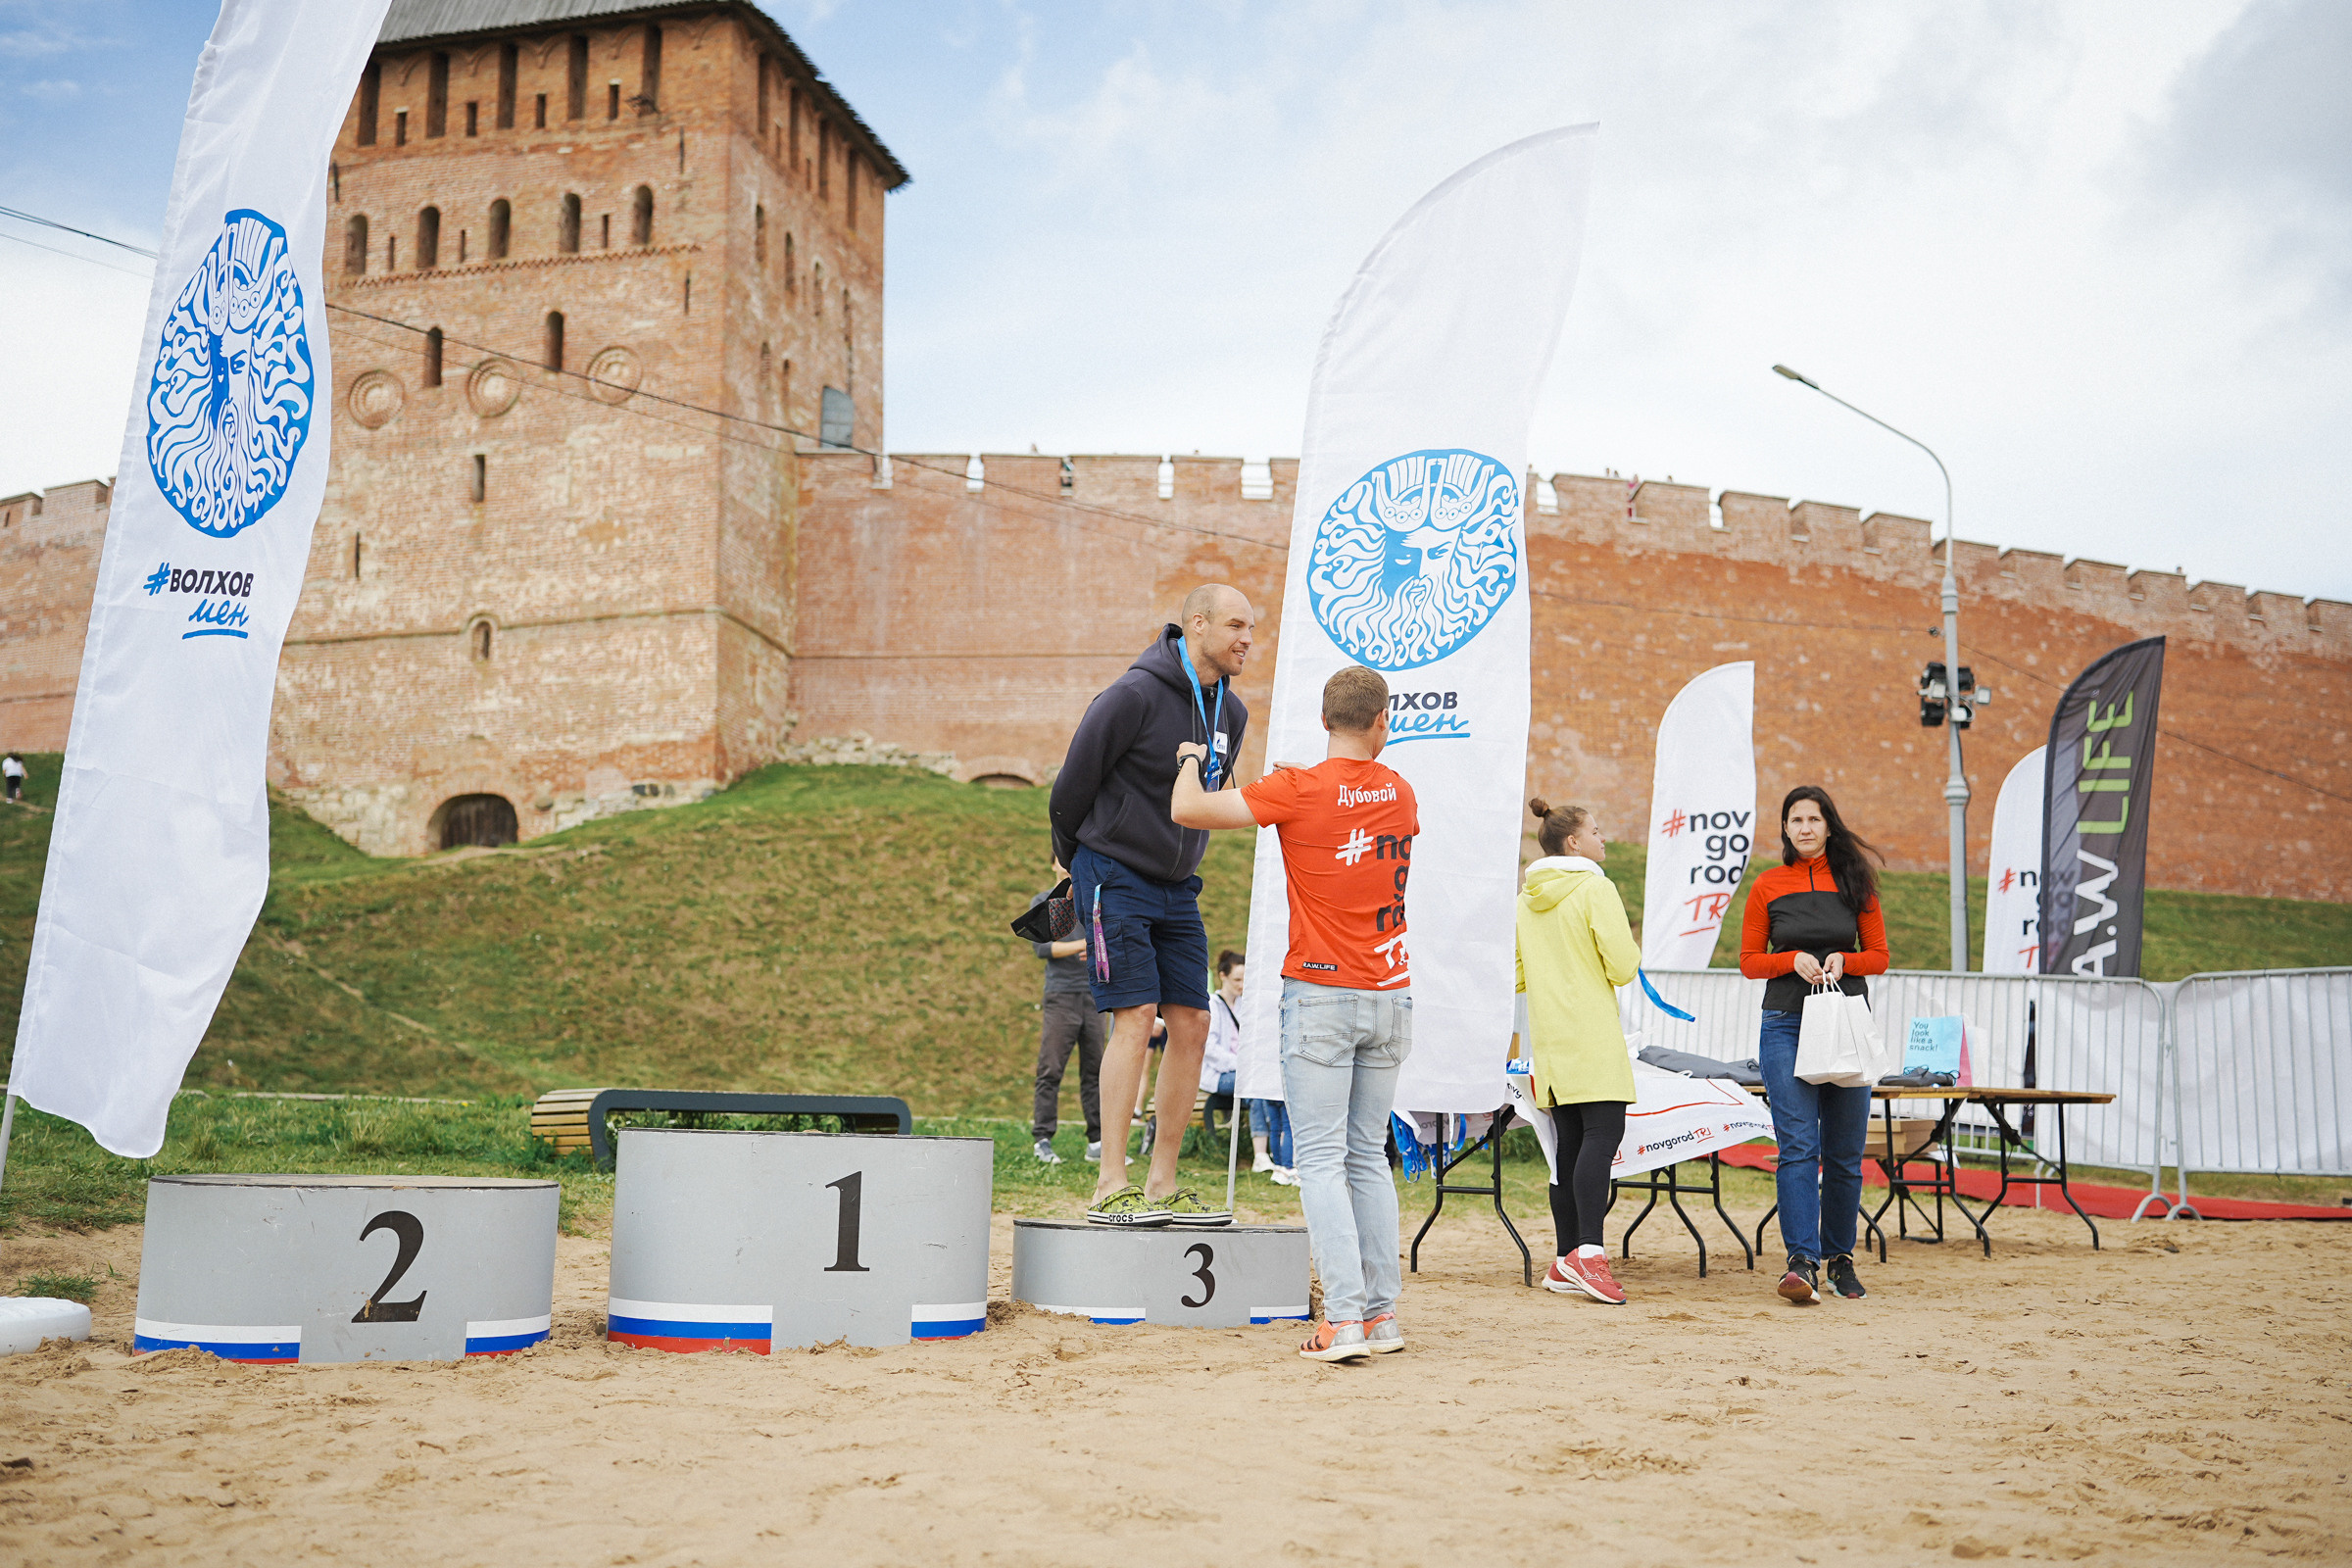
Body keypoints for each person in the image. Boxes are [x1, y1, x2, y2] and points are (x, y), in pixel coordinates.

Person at [1173, 664, 1415, 1363]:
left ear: (1322, 721)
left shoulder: (1297, 789)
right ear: (1381, 722)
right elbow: (1353, 797)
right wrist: (1306, 783)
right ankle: (1379, 1315)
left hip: (1321, 996)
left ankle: (1341, 1320)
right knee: (1366, 1157)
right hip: (1390, 994)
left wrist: (1191, 762)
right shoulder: (1400, 792)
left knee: (1319, 1160)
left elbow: (1190, 810)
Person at [1050, 584, 1254, 1227]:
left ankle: (1162, 1183)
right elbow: (1069, 787)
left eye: (1251, 628)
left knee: (1193, 1022)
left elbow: (1210, 798)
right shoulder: (1132, 696)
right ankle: (1112, 1180)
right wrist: (1076, 865)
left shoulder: (1234, 713)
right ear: (1196, 625)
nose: (1247, 638)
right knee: (1135, 1016)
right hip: (1113, 874)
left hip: (1177, 888)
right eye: (1235, 625)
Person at [1740, 784, 1890, 1304]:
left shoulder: (1856, 883)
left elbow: (1880, 955)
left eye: (1814, 819)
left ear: (1829, 825)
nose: (1805, 828)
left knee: (1845, 1151)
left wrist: (1846, 961)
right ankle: (1801, 1262)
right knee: (1798, 1147)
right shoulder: (1767, 884)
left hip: (1846, 1020)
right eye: (1795, 820)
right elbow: (1749, 961)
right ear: (1784, 828)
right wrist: (1790, 959)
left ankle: (1840, 1259)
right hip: (1785, 1023)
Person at [1514, 799, 1640, 1304]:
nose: (1602, 838)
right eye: (1596, 830)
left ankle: (1567, 1258)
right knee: (1603, 1135)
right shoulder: (1595, 887)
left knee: (1567, 1145)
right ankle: (1590, 1254)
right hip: (1592, 1033)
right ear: (1574, 842)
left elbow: (1518, 974)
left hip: (1550, 1040)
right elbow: (1623, 966)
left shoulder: (1526, 898)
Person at [1027, 858, 1103, 1165]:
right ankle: (1042, 1139)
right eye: (1062, 861)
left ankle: (1097, 1142)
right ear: (1052, 867)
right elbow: (1042, 948)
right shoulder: (1044, 902)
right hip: (1061, 996)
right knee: (1051, 1068)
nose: (1068, 867)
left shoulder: (1094, 901)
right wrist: (1081, 946)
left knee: (1097, 1071)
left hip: (1095, 996)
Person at [1200, 951, 1245, 1143]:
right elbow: (1209, 1048)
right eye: (1237, 980)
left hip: (1241, 1070)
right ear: (1222, 976)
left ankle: (1264, 1144)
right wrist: (1239, 1064)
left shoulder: (1244, 1004)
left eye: (1245, 980)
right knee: (1254, 1083)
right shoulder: (1213, 1005)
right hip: (1218, 1074)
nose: (1242, 985)